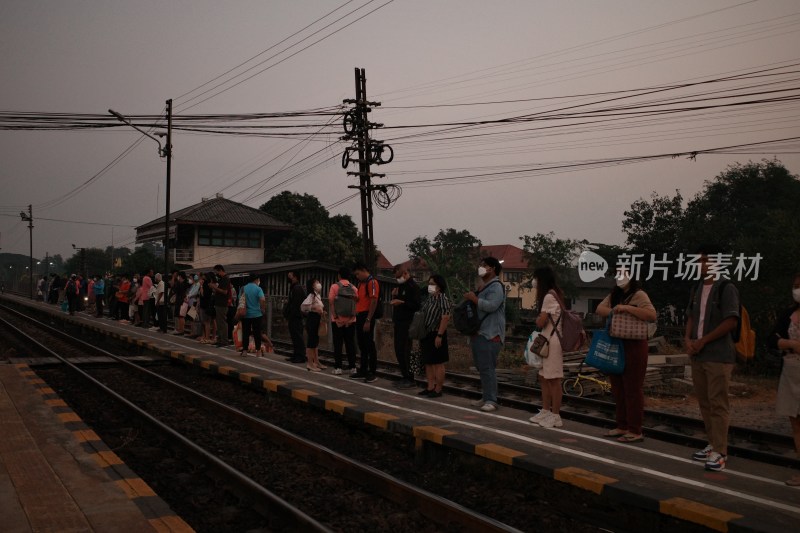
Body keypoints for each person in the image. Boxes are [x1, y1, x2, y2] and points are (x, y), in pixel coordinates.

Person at [684, 248, 740, 472]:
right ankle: (712, 444)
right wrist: (688, 339)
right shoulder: (697, 288)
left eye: (706, 260)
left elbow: (731, 320)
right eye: (699, 261)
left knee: (718, 402)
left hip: (718, 355)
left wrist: (704, 340)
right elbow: (691, 316)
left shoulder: (726, 288)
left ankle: (721, 452)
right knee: (705, 401)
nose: (702, 264)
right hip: (698, 354)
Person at [595, 270, 657, 441]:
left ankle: (635, 430)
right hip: (617, 343)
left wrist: (628, 308)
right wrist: (616, 310)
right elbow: (599, 308)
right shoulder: (614, 294)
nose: (620, 278)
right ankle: (621, 425)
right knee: (618, 387)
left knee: (632, 388)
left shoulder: (639, 295)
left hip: (635, 344)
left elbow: (651, 314)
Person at [768, 272, 800, 486]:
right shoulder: (789, 313)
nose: (797, 289)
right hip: (790, 370)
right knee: (795, 423)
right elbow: (772, 338)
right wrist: (789, 344)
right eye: (795, 285)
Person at [463, 257, 505, 412]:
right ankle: (486, 396)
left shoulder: (496, 287)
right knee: (482, 367)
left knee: (487, 368)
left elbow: (492, 306)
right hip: (479, 332)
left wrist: (474, 299)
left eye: (484, 265)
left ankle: (491, 400)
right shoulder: (484, 287)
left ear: (492, 268)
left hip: (490, 333)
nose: (480, 268)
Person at [526, 266, 566, 427]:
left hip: (552, 342)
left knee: (553, 379)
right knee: (544, 377)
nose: (533, 282)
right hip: (549, 340)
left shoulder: (549, 296)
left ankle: (556, 415)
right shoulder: (555, 293)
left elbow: (542, 321)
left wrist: (537, 319)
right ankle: (545, 410)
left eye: (535, 278)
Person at [418, 274, 451, 398]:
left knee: (438, 362)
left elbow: (445, 317)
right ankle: (430, 387)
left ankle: (438, 389)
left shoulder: (443, 299)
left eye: (432, 283)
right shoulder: (430, 298)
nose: (429, 286)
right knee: (429, 362)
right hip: (426, 333)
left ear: (439, 286)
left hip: (436, 333)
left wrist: (440, 335)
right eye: (429, 283)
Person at [390, 264, 421, 388]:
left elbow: (416, 305)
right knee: (398, 349)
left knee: (405, 349)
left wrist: (401, 302)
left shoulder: (413, 286)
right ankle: (404, 376)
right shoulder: (400, 286)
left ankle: (410, 378)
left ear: (404, 273)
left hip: (408, 322)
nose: (397, 279)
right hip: (398, 321)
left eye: (398, 276)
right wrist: (394, 297)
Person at [352, 262, 381, 383]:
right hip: (359, 315)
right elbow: (362, 299)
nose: (357, 276)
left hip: (367, 315)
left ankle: (372, 372)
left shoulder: (372, 282)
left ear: (363, 270)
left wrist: (368, 319)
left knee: (369, 343)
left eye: (358, 274)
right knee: (362, 343)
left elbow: (373, 301)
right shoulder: (361, 283)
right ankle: (363, 369)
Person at [329, 266, 358, 375]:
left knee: (338, 344)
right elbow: (356, 304)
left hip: (337, 321)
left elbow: (331, 302)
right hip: (351, 321)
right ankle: (353, 367)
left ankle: (338, 368)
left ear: (339, 275)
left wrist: (336, 318)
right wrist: (350, 319)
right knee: (350, 344)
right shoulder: (354, 288)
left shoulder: (334, 287)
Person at [301, 278, 326, 371]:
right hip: (312, 319)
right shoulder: (311, 295)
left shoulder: (317, 295)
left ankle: (316, 362)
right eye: (316, 282)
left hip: (316, 319)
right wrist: (314, 308)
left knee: (315, 342)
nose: (319, 284)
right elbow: (303, 306)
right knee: (311, 342)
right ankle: (310, 363)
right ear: (312, 286)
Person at [240, 274, 267, 357]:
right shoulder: (258, 289)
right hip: (257, 314)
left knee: (245, 332)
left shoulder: (243, 288)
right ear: (256, 279)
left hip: (246, 314)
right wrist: (263, 309)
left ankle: (244, 351)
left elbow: (240, 301)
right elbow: (262, 300)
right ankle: (258, 351)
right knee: (257, 333)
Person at [285, 271, 307, 363]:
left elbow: (296, 304)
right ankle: (296, 354)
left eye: (290, 276)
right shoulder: (294, 288)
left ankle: (300, 356)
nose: (288, 278)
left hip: (296, 316)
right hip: (294, 316)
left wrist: (291, 314)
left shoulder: (297, 288)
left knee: (298, 336)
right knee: (295, 336)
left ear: (295, 277)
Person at [210, 264, 231, 347]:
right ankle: (220, 339)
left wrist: (214, 287)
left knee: (222, 322)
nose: (216, 274)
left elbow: (225, 292)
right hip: (219, 303)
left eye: (217, 272)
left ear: (220, 270)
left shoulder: (226, 279)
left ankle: (224, 340)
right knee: (219, 322)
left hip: (223, 303)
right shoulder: (222, 279)